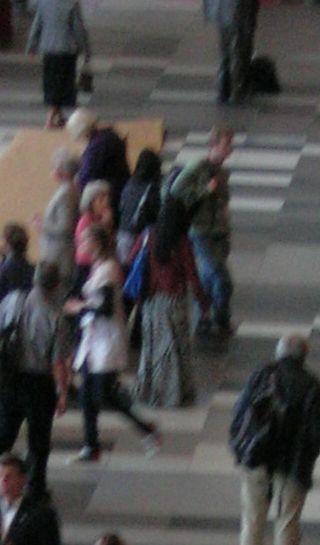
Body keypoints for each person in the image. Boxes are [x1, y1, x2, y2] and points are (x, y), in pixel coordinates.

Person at [232, 334, 320, 545]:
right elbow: (315, 432)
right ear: (303, 357)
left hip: (257, 458)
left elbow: (240, 412)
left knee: (252, 520)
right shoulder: (310, 384)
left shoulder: (262, 374)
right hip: (293, 463)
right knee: (287, 521)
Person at [0, 259, 75, 494]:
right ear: (56, 287)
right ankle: (34, 487)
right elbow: (57, 362)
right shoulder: (55, 316)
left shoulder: (12, 300)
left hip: (8, 379)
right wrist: (62, 392)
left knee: (0, 437)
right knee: (38, 441)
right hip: (38, 384)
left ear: (34, 279)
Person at [70, 228, 154, 464]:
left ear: (95, 242)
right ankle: (90, 445)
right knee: (87, 393)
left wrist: (79, 307)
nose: (80, 244)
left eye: (84, 240)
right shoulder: (97, 266)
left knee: (104, 394)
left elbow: (105, 309)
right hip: (94, 339)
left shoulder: (107, 269)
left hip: (106, 340)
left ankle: (145, 428)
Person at [131, 192, 199, 408]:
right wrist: (204, 304)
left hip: (150, 300)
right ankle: (176, 393)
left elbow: (131, 258)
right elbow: (192, 274)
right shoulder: (182, 242)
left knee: (152, 347)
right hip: (175, 300)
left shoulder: (148, 235)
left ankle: (150, 390)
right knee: (176, 348)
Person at [168, 130, 236, 340]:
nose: (229, 149)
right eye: (226, 144)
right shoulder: (197, 167)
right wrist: (204, 190)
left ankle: (202, 322)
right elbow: (175, 191)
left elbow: (223, 199)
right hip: (201, 231)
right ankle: (220, 319)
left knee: (208, 278)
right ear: (213, 145)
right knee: (223, 280)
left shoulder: (222, 171)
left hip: (219, 231)